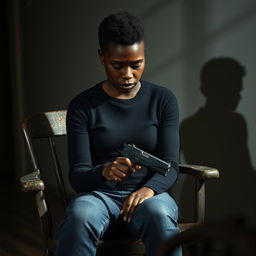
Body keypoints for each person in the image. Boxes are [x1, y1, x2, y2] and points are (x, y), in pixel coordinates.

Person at [56, 11, 181, 256]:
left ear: (144, 56)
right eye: (117, 65)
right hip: (99, 198)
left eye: (137, 64)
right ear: (102, 57)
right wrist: (104, 171)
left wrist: (149, 190)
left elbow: (171, 165)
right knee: (80, 215)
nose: (127, 75)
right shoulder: (83, 105)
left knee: (159, 214)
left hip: (150, 197)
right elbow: (78, 176)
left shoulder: (163, 100)